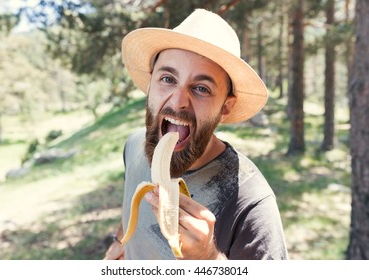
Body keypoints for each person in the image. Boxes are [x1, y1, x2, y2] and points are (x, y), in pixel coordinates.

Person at [104, 8, 288, 260]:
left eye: (201, 88)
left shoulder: (252, 203)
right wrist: (119, 240)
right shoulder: (134, 145)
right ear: (150, 84)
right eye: (168, 78)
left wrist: (209, 259)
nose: (179, 101)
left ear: (225, 106)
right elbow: (131, 204)